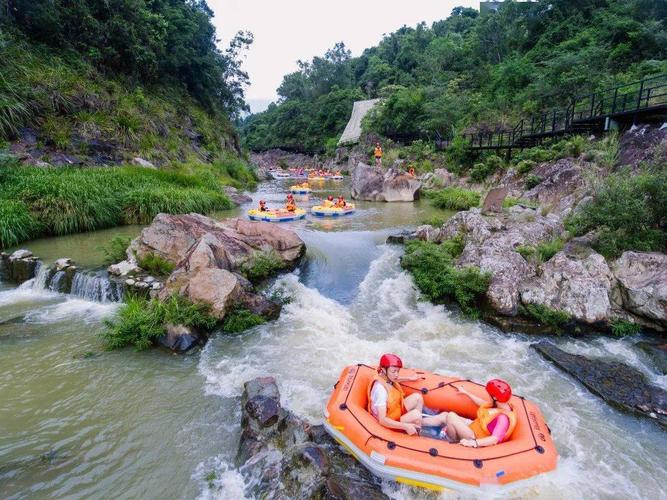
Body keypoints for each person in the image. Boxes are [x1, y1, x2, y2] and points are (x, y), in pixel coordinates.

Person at [447, 379, 517, 448]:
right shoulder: (501, 404)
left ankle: (451, 441)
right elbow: (483, 403)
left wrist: (474, 443)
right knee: (445, 415)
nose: (488, 396)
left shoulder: (503, 418)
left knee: (451, 416)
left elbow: (495, 439)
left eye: (489, 394)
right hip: (475, 427)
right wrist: (466, 393)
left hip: (475, 437)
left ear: (495, 398)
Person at [367, 354, 425, 435]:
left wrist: (409, 378)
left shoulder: (384, 376)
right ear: (384, 370)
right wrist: (405, 426)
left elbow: (393, 379)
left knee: (418, 397)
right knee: (416, 415)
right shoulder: (380, 390)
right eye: (394, 371)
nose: (396, 374)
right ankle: (416, 433)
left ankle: (417, 423)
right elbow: (382, 420)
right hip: (389, 420)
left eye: (398, 371)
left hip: (394, 410)